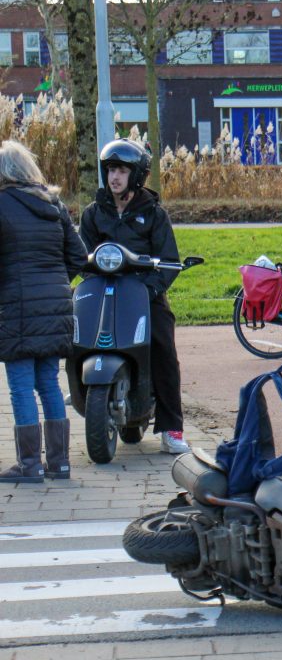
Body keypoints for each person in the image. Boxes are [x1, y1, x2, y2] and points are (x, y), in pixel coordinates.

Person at [79, 139, 189, 454]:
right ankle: (80, 387)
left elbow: (169, 260)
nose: (115, 177)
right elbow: (80, 254)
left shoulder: (153, 213)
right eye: (111, 169)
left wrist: (150, 289)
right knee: (75, 333)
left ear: (136, 174)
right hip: (102, 291)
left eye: (122, 170)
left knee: (164, 349)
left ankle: (171, 428)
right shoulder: (94, 213)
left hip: (143, 292)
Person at [0, 140, 88, 481]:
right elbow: (79, 257)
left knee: (21, 387)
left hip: (16, 307)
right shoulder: (54, 205)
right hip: (57, 306)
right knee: (48, 383)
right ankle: (60, 462)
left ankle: (29, 465)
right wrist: (55, 285)